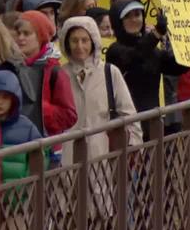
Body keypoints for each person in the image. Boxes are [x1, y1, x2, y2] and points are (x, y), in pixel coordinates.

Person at [58, 17, 141, 160]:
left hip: (103, 153)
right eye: (74, 40)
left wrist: (134, 145)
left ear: (93, 41)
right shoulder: (59, 75)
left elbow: (128, 112)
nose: (79, 46)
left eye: (85, 40)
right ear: (66, 43)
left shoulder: (109, 72)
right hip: (69, 156)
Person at [106, 0, 189, 121]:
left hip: (153, 121)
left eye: (137, 14)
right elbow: (134, 56)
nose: (134, 19)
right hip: (127, 123)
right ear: (118, 22)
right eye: (127, 16)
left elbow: (174, 67)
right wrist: (156, 34)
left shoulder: (152, 49)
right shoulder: (115, 50)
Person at [13, 11, 77, 164]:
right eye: (18, 33)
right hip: (15, 149)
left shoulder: (55, 71)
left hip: (46, 151)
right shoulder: (11, 66)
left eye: (27, 33)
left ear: (40, 36)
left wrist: (35, 108)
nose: (21, 38)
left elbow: (69, 115)